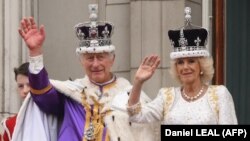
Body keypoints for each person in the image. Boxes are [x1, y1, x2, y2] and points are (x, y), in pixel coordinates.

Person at [13, 4, 158, 141]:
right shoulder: (71, 95)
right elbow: (42, 94)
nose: (95, 64)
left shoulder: (129, 96)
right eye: (89, 58)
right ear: (81, 61)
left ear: (112, 59)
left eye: (100, 57)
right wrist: (35, 52)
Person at [127, 15, 238, 124]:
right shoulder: (166, 96)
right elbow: (136, 116)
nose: (185, 67)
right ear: (176, 68)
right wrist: (138, 82)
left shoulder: (219, 95)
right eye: (180, 62)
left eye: (191, 61)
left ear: (202, 66)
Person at [1, 62, 30, 141]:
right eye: (21, 86)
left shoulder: (54, 117)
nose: (25, 90)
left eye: (30, 85)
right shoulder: (10, 124)